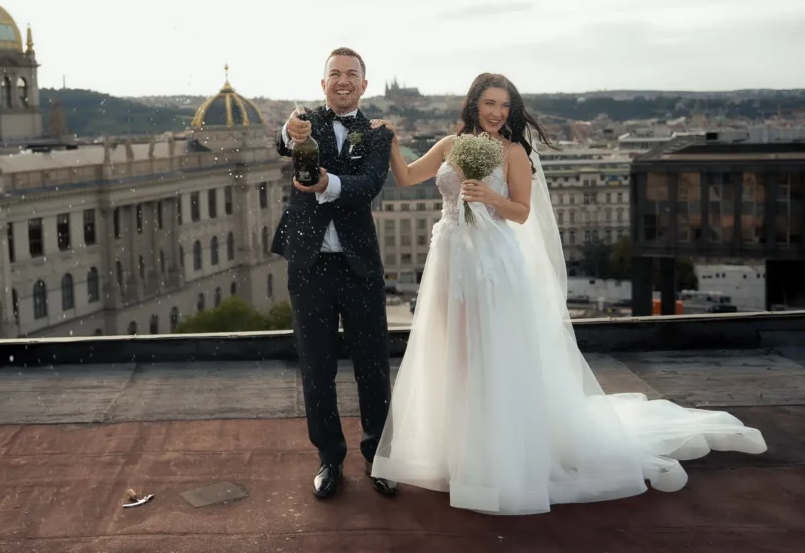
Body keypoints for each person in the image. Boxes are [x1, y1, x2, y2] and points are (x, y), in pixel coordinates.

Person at [368, 72, 767, 515]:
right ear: (474, 104)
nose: (498, 113)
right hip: (450, 261)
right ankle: (456, 448)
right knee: (453, 353)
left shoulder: (514, 151)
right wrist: (391, 140)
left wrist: (488, 198)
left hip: (493, 262)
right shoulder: (449, 143)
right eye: (490, 104)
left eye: (505, 105)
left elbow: (521, 212)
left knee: (491, 355)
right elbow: (404, 179)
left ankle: (492, 454)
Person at [271, 47, 399, 499]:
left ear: (365, 85)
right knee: (316, 368)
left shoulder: (378, 133)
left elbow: (367, 186)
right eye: (334, 74)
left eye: (352, 75)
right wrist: (289, 130)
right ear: (322, 82)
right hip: (308, 266)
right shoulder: (306, 120)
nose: (343, 81)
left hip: (359, 266)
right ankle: (329, 458)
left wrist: (328, 184)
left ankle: (379, 456)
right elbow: (285, 141)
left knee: (373, 367)